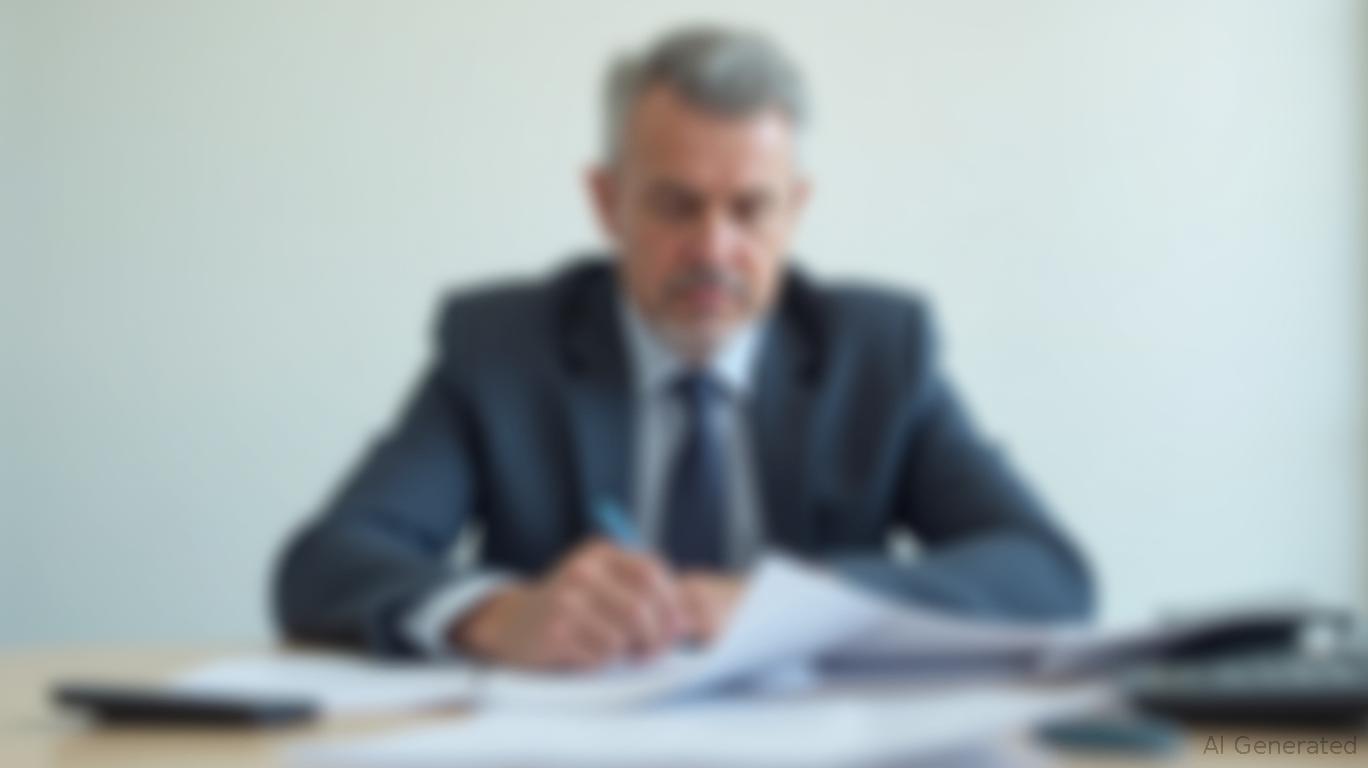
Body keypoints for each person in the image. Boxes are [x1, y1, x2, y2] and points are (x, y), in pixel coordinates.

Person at [274, 25, 1093, 670]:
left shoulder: (877, 352)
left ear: (795, 210)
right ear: (608, 202)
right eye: (675, 205)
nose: (713, 247)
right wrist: (498, 616)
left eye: (750, 209)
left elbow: (1047, 572)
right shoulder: (502, 350)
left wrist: (799, 605)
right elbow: (324, 564)